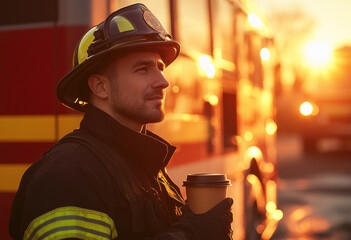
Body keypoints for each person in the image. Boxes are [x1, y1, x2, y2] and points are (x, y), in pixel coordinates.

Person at [9, 3, 233, 240]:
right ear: (100, 86)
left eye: (160, 68)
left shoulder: (142, 165)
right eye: (142, 69)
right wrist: (190, 234)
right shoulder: (68, 175)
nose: (163, 82)